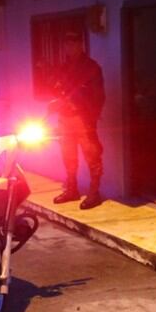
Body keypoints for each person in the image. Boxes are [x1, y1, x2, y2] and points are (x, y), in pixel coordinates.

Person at [50, 31, 106, 210]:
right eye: (66, 43)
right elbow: (56, 89)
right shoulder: (63, 67)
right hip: (65, 118)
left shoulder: (91, 67)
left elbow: (99, 96)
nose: (69, 47)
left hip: (83, 118)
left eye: (73, 43)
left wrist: (90, 117)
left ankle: (94, 192)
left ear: (80, 44)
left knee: (92, 155)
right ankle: (72, 189)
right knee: (68, 156)